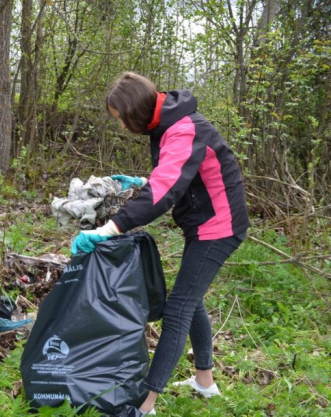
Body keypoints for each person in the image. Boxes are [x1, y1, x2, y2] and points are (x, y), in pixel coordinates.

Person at [71, 72, 249, 415]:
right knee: (190, 301)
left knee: (178, 308)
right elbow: (181, 171)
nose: (121, 126)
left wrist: (107, 229)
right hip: (206, 223)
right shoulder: (170, 122)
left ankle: (146, 404)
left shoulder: (182, 128)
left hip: (219, 227)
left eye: (121, 119)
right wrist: (141, 180)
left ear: (136, 111)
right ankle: (205, 382)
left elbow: (166, 192)